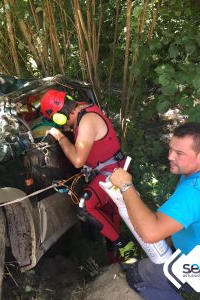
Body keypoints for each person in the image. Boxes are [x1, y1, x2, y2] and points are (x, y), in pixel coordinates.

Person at [110, 122, 200, 299]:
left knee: (138, 276)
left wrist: (125, 185)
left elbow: (150, 233)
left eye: (179, 153)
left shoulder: (194, 192)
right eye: (170, 149)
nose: (170, 156)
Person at [40, 89, 138, 265]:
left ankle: (125, 244)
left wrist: (59, 135)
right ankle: (116, 260)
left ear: (59, 118)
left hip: (112, 172)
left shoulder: (86, 121)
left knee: (86, 207)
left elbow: (78, 160)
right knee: (109, 218)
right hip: (109, 169)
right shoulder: (83, 109)